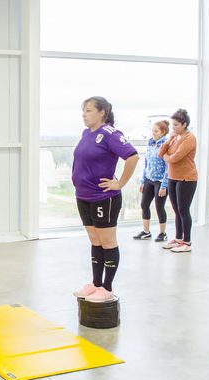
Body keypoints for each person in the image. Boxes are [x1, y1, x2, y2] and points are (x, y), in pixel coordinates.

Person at [72, 97, 139, 303]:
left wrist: (119, 184)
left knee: (107, 242)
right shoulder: (86, 133)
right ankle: (96, 284)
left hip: (103, 198)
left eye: (89, 110)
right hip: (84, 196)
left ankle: (107, 287)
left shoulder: (110, 134)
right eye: (83, 110)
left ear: (102, 112)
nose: (84, 114)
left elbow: (133, 156)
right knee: (95, 240)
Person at [158, 109, 198, 253]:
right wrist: (169, 140)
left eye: (175, 125)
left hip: (186, 178)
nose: (173, 128)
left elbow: (176, 157)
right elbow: (160, 153)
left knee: (183, 210)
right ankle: (178, 238)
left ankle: (187, 242)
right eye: (172, 125)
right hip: (172, 177)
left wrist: (167, 157)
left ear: (184, 124)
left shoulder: (189, 138)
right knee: (176, 210)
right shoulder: (174, 137)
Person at [133, 120, 169, 242]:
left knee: (159, 207)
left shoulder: (166, 145)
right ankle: (146, 232)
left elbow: (168, 167)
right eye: (152, 130)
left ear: (163, 132)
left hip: (160, 181)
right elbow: (146, 164)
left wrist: (164, 186)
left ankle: (163, 233)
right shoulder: (151, 143)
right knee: (144, 204)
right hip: (149, 179)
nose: (153, 133)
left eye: (156, 131)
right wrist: (143, 181)